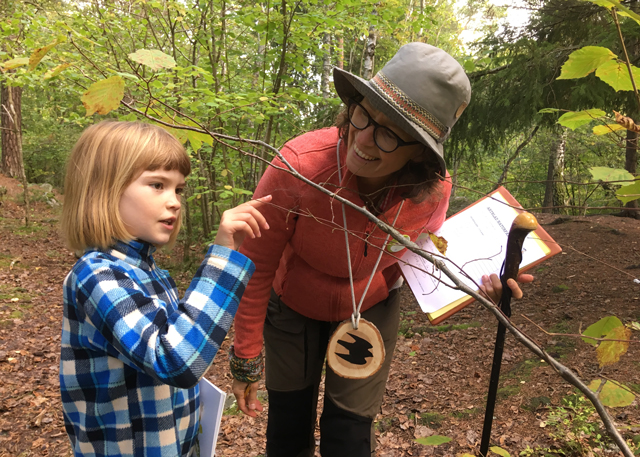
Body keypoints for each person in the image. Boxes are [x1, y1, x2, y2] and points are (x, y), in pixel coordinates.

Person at [228, 42, 533, 457]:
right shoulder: (300, 166)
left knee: (350, 433)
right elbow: (256, 266)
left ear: (421, 155)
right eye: (364, 114)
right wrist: (245, 356)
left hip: (371, 308)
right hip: (292, 305)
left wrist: (480, 282)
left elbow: (424, 255)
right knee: (288, 423)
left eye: (390, 133)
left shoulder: (432, 192)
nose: (364, 139)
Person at [59, 121, 270, 456]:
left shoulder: (153, 273)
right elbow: (174, 359)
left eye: (178, 190)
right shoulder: (96, 276)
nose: (174, 201)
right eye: (157, 185)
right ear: (104, 189)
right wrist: (222, 262)